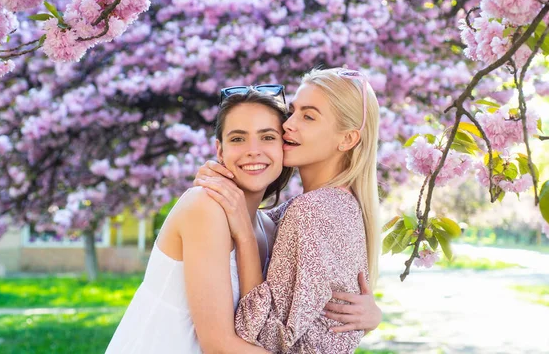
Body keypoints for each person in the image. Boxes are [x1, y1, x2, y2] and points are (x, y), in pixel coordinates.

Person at [106, 85, 380, 354]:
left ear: (284, 145)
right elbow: (219, 345)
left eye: (268, 137)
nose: (252, 150)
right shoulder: (204, 208)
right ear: (220, 150)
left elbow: (302, 312)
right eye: (237, 139)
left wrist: (369, 316)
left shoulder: (274, 226)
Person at [194, 67, 381, 353]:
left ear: (347, 139)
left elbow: (262, 335)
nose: (287, 125)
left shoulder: (312, 211)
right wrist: (221, 176)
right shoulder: (339, 206)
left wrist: (244, 234)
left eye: (308, 116)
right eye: (292, 112)